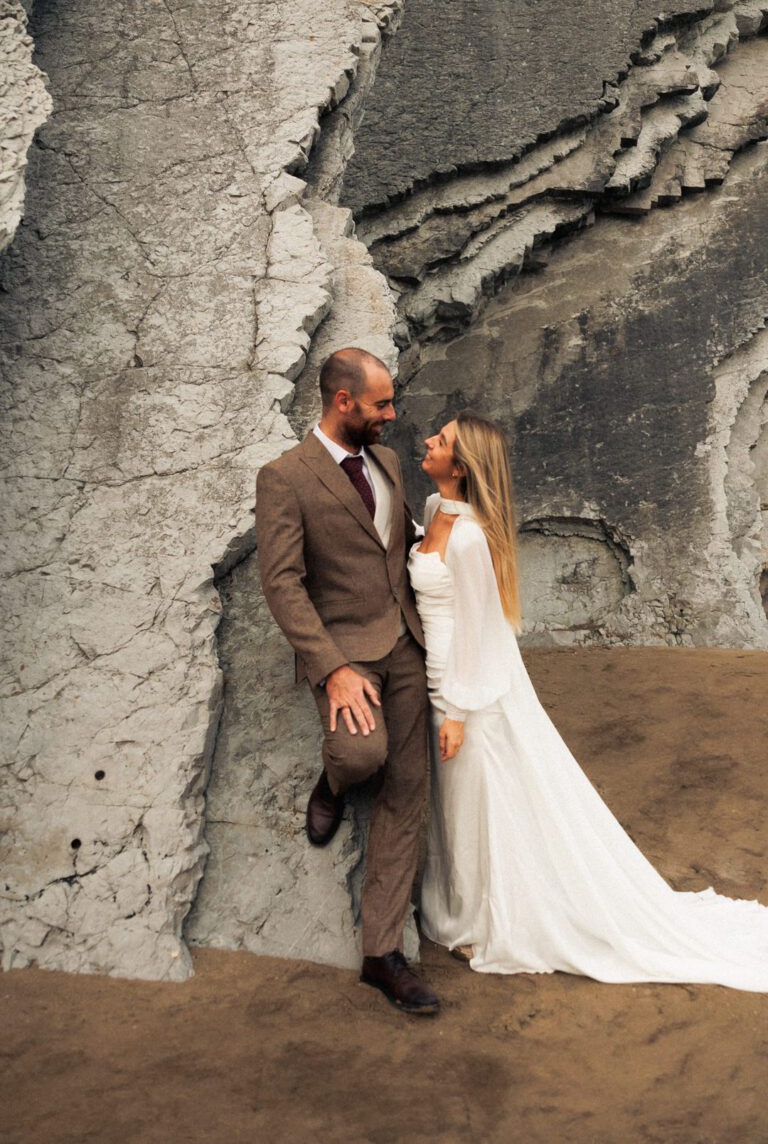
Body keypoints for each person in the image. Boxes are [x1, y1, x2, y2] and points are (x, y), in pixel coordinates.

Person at [409, 409, 768, 990]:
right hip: (434, 680)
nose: (428, 440)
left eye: (442, 439)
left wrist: (457, 710)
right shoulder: (433, 512)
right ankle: (459, 905)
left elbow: (483, 631)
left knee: (482, 806)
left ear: (463, 464)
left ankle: (490, 919)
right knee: (454, 808)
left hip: (466, 690)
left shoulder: (473, 537)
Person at [255, 347, 439, 1015]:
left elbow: (404, 541)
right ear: (342, 402)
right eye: (381, 404)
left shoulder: (387, 462)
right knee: (364, 754)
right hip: (346, 654)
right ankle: (332, 781)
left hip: (407, 646)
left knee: (409, 789)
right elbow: (281, 583)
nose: (392, 415)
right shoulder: (285, 477)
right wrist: (331, 669)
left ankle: (381, 954)